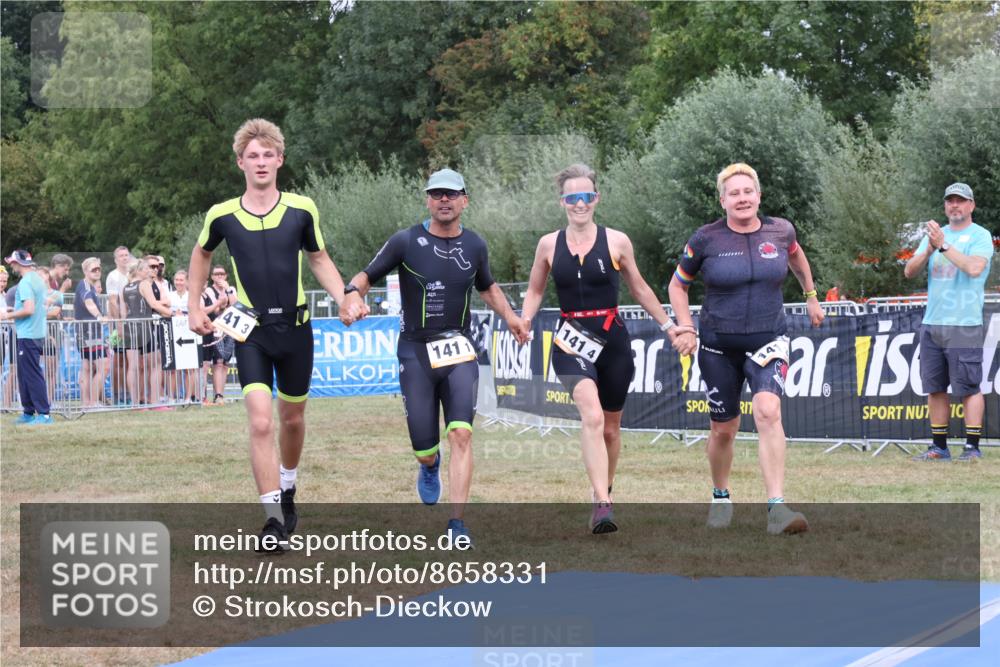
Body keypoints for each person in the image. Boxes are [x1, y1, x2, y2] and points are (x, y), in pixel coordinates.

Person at [188, 118, 360, 552]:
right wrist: (193, 305)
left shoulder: (302, 208)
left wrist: (345, 297)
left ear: (280, 160)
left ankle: (288, 486)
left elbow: (319, 258)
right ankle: (271, 520)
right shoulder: (222, 215)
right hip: (253, 333)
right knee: (261, 421)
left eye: (268, 155)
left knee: (292, 420)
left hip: (297, 331)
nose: (261, 162)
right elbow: (201, 255)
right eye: (253, 156)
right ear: (240, 162)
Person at [343, 167, 529, 545]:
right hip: (415, 352)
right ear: (428, 199)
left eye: (451, 194)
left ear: (464, 200)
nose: (444, 200)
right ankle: (429, 466)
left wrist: (511, 317)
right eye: (436, 194)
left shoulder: (475, 245)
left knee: (461, 433)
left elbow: (487, 285)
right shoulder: (405, 240)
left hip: (459, 349)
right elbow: (367, 275)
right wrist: (351, 294)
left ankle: (457, 524)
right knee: (425, 448)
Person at [520, 164, 693, 534]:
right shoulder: (548, 245)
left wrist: (668, 326)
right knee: (592, 417)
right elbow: (535, 289)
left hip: (613, 340)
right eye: (572, 198)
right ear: (562, 202)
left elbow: (640, 288)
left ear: (596, 199)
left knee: (611, 430)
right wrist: (525, 321)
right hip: (570, 341)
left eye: (586, 196)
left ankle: (605, 491)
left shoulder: (617, 241)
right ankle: (601, 504)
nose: (579, 204)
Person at [668, 163, 824, 535]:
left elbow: (797, 256)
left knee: (768, 411)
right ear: (723, 200)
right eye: (733, 193)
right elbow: (677, 286)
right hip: (719, 345)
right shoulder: (705, 239)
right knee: (724, 428)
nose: (742, 198)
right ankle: (720, 496)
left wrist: (812, 296)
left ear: (758, 195)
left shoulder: (781, 230)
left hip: (769, 338)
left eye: (747, 191)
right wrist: (686, 326)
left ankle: (777, 509)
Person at [904, 183, 993, 461]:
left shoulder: (980, 236)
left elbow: (975, 268)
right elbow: (909, 271)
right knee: (935, 387)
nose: (955, 205)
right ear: (945, 205)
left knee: (968, 388)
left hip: (964, 323)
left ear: (971, 205)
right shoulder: (934, 236)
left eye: (961, 201)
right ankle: (939, 447)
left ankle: (972, 447)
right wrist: (929, 249)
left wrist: (942, 244)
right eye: (950, 201)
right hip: (933, 323)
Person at [1, 250, 52, 424]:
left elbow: (29, 309)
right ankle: (28, 412)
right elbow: (38, 307)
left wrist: (7, 316)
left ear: (19, 263)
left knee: (31, 374)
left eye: (13, 262)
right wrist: (13, 311)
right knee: (24, 375)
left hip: (28, 334)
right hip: (33, 333)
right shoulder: (37, 280)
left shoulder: (25, 283)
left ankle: (44, 414)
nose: (11, 265)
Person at [73, 256, 109, 408]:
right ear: (85, 271)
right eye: (93, 269)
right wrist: (99, 316)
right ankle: (92, 402)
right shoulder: (86, 286)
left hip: (86, 333)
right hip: (90, 333)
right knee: (104, 366)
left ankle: (86, 403)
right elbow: (89, 303)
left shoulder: (86, 286)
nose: (97, 271)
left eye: (98, 269)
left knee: (87, 368)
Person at [200, 265, 236, 405]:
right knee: (218, 362)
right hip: (216, 328)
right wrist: (222, 304)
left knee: (225, 362)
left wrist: (227, 290)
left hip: (229, 328)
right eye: (216, 274)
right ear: (212, 277)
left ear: (226, 275)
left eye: (222, 274)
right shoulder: (209, 290)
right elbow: (216, 310)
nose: (219, 276)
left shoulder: (231, 288)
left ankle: (220, 394)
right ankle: (216, 395)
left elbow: (235, 305)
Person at [107, 246, 132, 404]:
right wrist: (119, 323)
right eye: (121, 256)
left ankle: (129, 392)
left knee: (130, 360)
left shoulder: (131, 274)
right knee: (119, 360)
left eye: (126, 255)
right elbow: (112, 301)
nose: (124, 258)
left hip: (133, 322)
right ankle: (117, 394)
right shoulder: (113, 276)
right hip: (119, 322)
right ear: (116, 259)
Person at [170, 269, 199, 402]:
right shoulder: (169, 295)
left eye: (181, 280)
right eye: (176, 279)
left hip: (189, 334)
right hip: (173, 334)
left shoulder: (192, 295)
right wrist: (172, 313)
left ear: (186, 281)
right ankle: (172, 398)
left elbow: (198, 310)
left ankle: (188, 397)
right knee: (174, 368)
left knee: (189, 368)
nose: (178, 282)